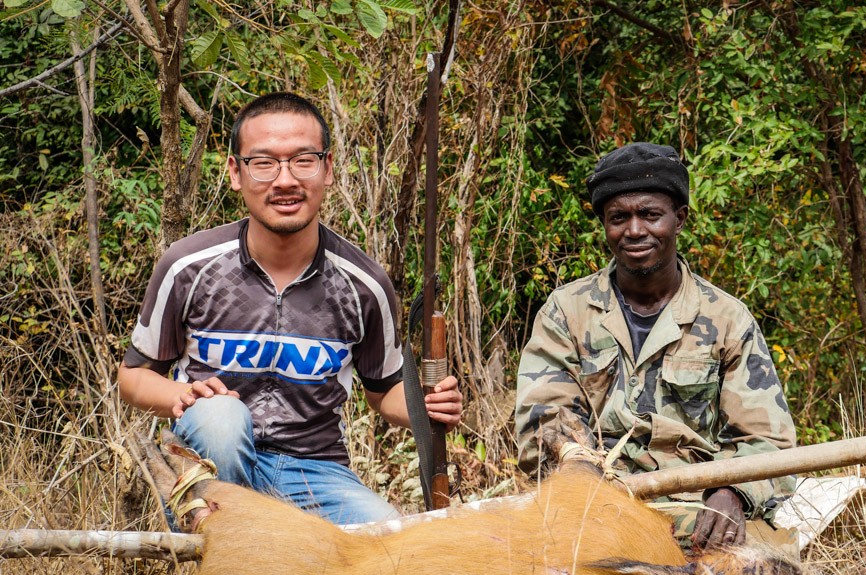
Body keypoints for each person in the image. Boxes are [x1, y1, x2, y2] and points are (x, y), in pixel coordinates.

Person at [118, 92, 462, 525]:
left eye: (303, 160)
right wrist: (183, 396)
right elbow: (132, 377)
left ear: (328, 168)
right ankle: (222, 549)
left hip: (316, 471)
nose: (284, 180)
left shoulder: (364, 284)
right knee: (222, 418)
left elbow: (383, 391)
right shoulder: (189, 266)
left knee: (389, 543)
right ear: (235, 172)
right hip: (208, 463)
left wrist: (425, 405)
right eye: (263, 163)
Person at [514, 142, 795, 550]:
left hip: (699, 510)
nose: (634, 230)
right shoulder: (566, 311)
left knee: (767, 574)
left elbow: (768, 439)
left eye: (649, 215)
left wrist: (733, 491)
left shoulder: (727, 319)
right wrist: (580, 472)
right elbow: (543, 418)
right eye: (618, 217)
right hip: (594, 506)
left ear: (679, 219)